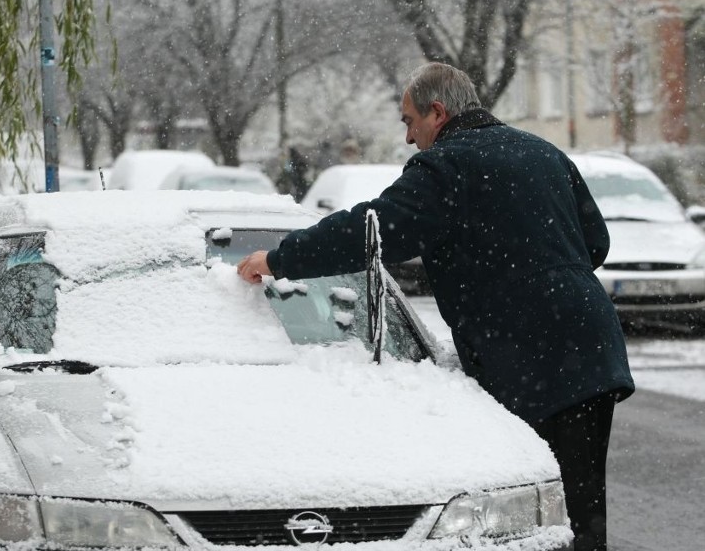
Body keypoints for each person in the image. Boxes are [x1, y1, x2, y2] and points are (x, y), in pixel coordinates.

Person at [237, 62, 634, 551]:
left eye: (409, 121)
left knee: (528, 510)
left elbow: (374, 230)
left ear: (437, 112)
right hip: (591, 340)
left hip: (528, 351)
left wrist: (280, 258)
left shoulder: (448, 166)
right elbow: (596, 243)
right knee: (580, 504)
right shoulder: (542, 152)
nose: (407, 138)